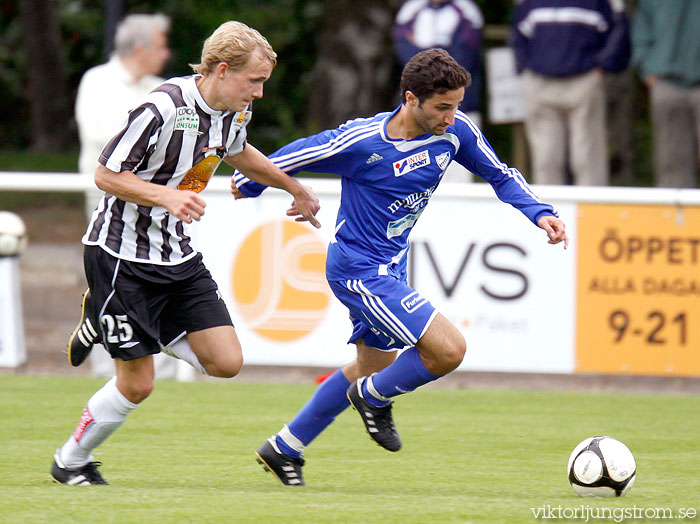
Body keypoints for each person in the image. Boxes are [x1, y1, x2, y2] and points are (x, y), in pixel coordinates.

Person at [233, 48, 568, 486]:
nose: (452, 117)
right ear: (411, 99)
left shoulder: (456, 132)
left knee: (369, 367)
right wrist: (248, 185)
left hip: (391, 267)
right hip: (357, 269)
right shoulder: (362, 142)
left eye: (457, 106)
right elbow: (291, 156)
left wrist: (539, 212)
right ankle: (371, 399)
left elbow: (501, 174)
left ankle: (284, 448)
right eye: (442, 107)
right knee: (448, 350)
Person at [51, 20, 320, 486]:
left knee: (226, 363)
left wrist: (292, 187)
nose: (258, 93)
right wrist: (166, 196)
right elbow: (106, 175)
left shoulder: (233, 112)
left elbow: (238, 152)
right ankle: (70, 461)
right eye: (253, 81)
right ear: (220, 69)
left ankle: (107, 321)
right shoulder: (162, 108)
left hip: (175, 252)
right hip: (120, 255)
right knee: (138, 384)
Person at [75, 14, 178, 379]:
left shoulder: (160, 87)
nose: (167, 54)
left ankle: (161, 371)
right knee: (109, 286)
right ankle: (107, 370)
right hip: (109, 200)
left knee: (161, 278)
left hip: (155, 203)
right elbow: (102, 139)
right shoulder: (97, 81)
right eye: (162, 45)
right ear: (141, 48)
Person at [511, 0, 631, 186]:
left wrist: (602, 66)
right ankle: (548, 212)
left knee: (586, 157)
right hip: (540, 81)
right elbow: (518, 32)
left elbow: (618, 28)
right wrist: (525, 67)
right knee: (545, 157)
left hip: (584, 80)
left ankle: (592, 210)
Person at [393, 0, 483, 183]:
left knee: (458, 167)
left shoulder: (467, 10)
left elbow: (463, 57)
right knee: (415, 165)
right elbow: (405, 54)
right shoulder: (411, 9)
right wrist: (438, 57)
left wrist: (423, 57)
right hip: (420, 106)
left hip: (459, 106)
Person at [632, 0, 700, 188]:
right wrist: (647, 71)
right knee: (671, 158)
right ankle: (675, 215)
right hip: (665, 81)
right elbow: (640, 32)